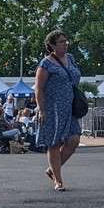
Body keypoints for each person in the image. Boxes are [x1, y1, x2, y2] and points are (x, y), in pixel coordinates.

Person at [36, 31, 82, 191]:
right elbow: (39, 89)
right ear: (52, 45)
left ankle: (52, 169)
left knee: (74, 140)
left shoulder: (71, 58)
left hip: (70, 108)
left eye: (66, 40)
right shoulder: (46, 64)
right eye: (62, 41)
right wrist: (41, 110)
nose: (66, 43)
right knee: (54, 144)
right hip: (53, 108)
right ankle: (58, 180)